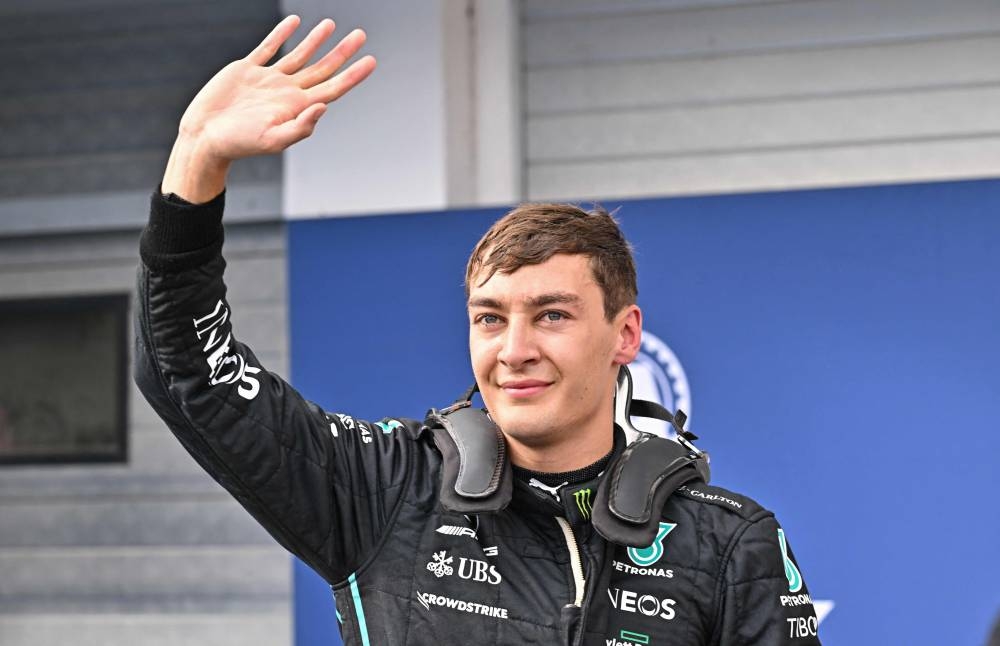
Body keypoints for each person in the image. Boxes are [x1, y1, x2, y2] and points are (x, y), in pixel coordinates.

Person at [134, 16, 822, 645]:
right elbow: (187, 372)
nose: (515, 350)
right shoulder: (385, 491)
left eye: (551, 315)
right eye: (490, 318)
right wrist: (197, 159)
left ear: (626, 334)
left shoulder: (729, 544)